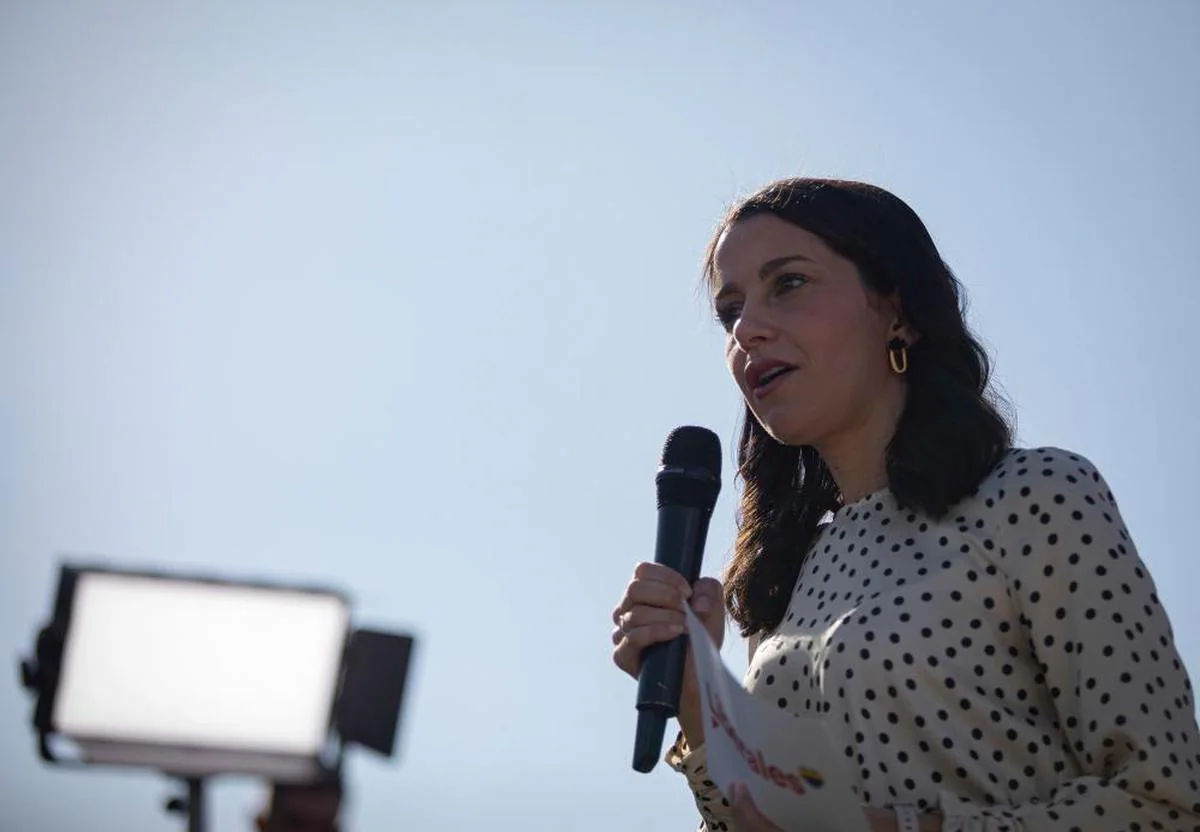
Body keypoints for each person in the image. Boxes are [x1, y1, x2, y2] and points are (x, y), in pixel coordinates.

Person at [611, 177, 1200, 831]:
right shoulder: (787, 584)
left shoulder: (1035, 498)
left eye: (790, 284)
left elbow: (1165, 801)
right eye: (730, 312)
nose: (748, 329)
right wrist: (700, 705)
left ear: (899, 312)